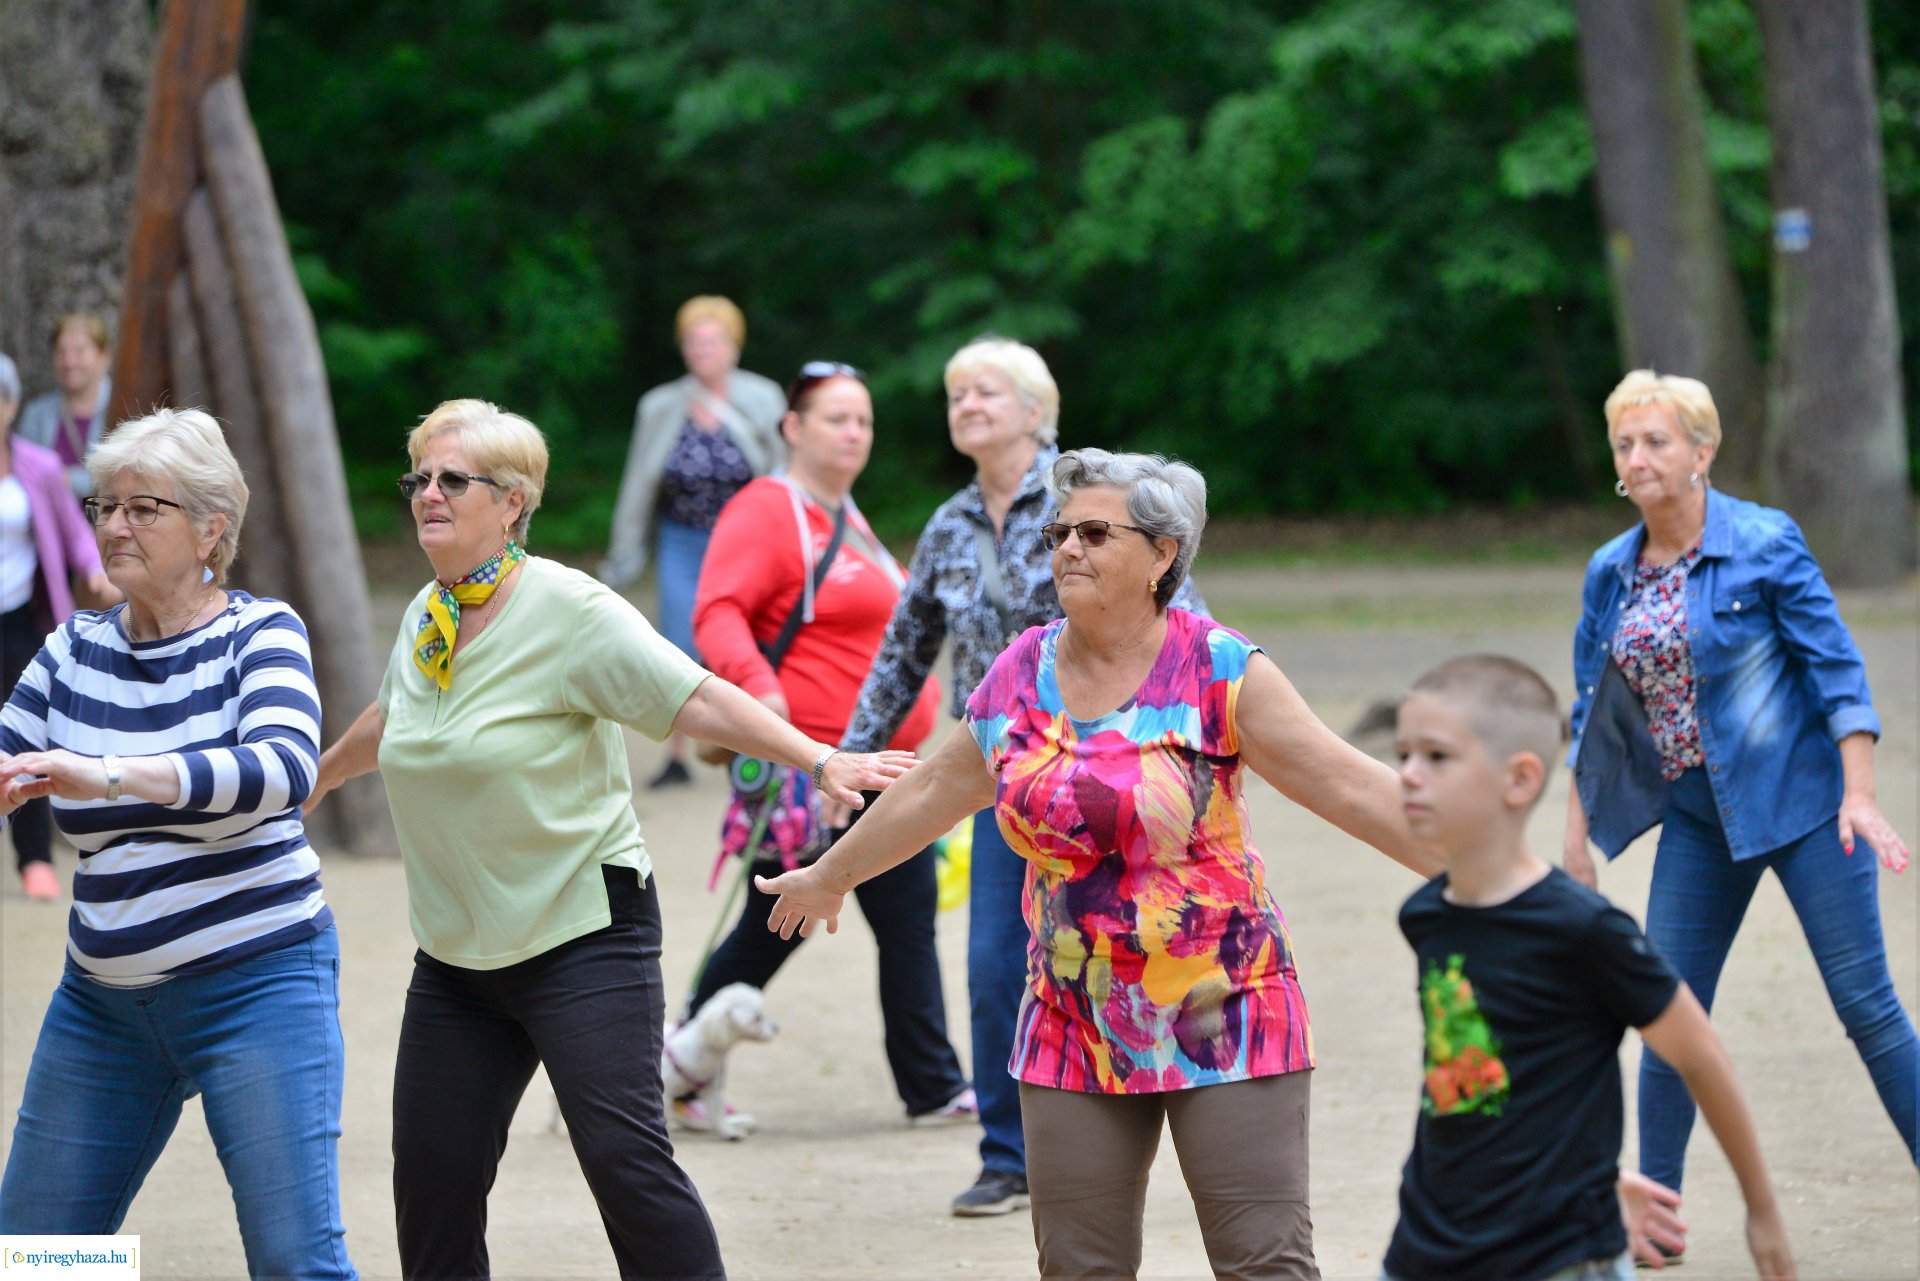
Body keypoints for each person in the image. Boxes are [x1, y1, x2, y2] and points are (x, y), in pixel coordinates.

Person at [761, 448, 1442, 1280]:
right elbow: (935, 788)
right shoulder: (1021, 673)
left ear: (1162, 555)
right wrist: (829, 875)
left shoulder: (1221, 669)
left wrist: (1489, 874)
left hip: (1222, 1003)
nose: (1067, 549)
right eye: (1059, 533)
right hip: (1071, 1014)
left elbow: (1351, 786)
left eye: (1094, 533)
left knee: (1261, 1262)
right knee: (1080, 1268)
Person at [306, 398, 913, 1281]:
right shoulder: (429, 613)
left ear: (512, 502)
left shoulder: (568, 609)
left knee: (625, 1166)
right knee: (432, 1183)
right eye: (420, 478)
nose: (428, 493)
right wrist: (317, 777)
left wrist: (819, 758)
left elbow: (692, 693)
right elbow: (395, 713)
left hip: (581, 935)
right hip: (457, 957)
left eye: (452, 480)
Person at [840, 336, 1208, 1215]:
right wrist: (849, 758)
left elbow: (1184, 615)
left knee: (1142, 949)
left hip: (1122, 773)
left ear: (1037, 410)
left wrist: (1193, 745)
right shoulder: (948, 525)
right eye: (956, 393)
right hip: (1007, 779)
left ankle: (1168, 1123)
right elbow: (904, 649)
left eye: (987, 391)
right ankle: (1009, 1155)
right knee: (997, 966)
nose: (966, 404)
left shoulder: (1096, 501)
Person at [0, 407, 356, 1279]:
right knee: (36, 1257)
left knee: (295, 1261)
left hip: (258, 985)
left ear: (210, 530)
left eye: (143, 507)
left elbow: (280, 770)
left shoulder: (259, 633)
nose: (114, 525)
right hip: (101, 1006)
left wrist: (108, 773)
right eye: (104, 505)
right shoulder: (71, 650)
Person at [1563, 370, 1917, 1200]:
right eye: (1625, 444)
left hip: (1807, 808)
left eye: (1656, 441)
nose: (1638, 458)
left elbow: (1837, 671)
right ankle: (1659, 1216)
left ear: (1702, 452)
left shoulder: (1764, 542)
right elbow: (1590, 713)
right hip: (1697, 820)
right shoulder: (1611, 570)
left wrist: (1859, 794)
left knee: (1866, 1005)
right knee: (1669, 1015)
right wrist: (1576, 843)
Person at [1387, 655, 1793, 1281]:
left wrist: (1762, 1212)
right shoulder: (1425, 916)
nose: (1408, 774)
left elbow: (1701, 1055)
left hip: (1560, 1257)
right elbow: (1486, 1086)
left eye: (1436, 757)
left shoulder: (1585, 930)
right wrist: (1606, 1176)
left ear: (1520, 780)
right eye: (1403, 754)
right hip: (1425, 1250)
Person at [685, 361, 974, 1127]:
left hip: (879, 768)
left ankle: (932, 1085)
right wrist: (763, 693)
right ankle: (676, 1065)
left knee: (901, 920)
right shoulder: (767, 509)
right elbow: (717, 611)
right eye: (836, 418)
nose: (854, 433)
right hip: (816, 769)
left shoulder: (846, 516)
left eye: (864, 420)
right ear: (793, 427)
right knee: (774, 925)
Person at [599, 296, 787, 788]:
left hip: (746, 543)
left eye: (713, 341)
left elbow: (786, 469)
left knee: (750, 640)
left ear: (734, 346)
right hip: (681, 541)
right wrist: (624, 553)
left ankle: (761, 747)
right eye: (694, 342)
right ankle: (678, 756)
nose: (703, 350)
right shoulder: (660, 405)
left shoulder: (764, 397)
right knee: (677, 644)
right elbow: (638, 481)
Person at [0, 353, 114, 899]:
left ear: (11, 405)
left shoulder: (39, 466)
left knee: (24, 736)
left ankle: (35, 858)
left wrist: (97, 572)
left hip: (19, 616)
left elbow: (74, 534)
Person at [17, 312, 114, 497]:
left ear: (103, 356)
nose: (69, 362)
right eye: (61, 352)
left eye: (79, 351)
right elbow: (24, 474)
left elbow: (121, 479)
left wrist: (64, 479)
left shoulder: (124, 409)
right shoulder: (37, 414)